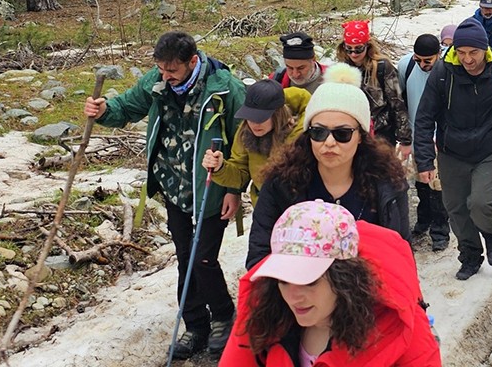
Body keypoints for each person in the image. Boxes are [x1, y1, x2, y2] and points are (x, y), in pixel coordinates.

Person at [83, 31, 245, 358]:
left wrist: (235, 190)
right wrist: (103, 110)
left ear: (192, 62)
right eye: (161, 69)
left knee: (203, 257)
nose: (166, 76)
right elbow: (127, 106)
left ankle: (224, 317)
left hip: (212, 189)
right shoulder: (157, 84)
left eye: (173, 70)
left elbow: (244, 142)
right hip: (173, 185)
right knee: (186, 257)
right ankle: (197, 324)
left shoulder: (225, 88)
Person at [219, 201, 440, 367]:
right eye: (283, 281)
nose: (294, 296)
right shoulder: (265, 318)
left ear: (344, 279)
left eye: (310, 281)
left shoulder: (398, 330)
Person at [247, 63, 410, 269]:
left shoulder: (388, 183)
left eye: (342, 134)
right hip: (299, 295)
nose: (329, 142)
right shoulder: (282, 183)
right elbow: (259, 255)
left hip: (369, 293)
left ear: (361, 136)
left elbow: (401, 252)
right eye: (319, 132)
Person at [414, 19, 492, 280]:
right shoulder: (442, 71)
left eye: (472, 53)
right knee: (457, 210)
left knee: (481, 203)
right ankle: (470, 256)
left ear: (483, 49)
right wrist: (425, 161)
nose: (467, 59)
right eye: (461, 52)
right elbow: (425, 117)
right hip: (452, 151)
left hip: (489, 147)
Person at [202, 79, 310, 208]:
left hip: (300, 209)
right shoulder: (245, 132)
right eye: (250, 116)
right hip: (263, 206)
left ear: (277, 114)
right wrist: (220, 167)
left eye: (261, 118)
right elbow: (240, 175)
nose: (254, 124)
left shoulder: (303, 134)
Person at [397, 35, 450, 252]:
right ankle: (424, 218)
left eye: (427, 60)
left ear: (438, 54)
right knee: (419, 181)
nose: (422, 65)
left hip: (439, 136)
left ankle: (440, 231)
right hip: (415, 135)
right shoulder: (405, 65)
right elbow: (401, 99)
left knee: (437, 186)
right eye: (418, 60)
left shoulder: (447, 69)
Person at [334, 20, 409, 157]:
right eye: (348, 48)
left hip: (381, 133)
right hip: (353, 133)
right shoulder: (342, 68)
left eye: (358, 49)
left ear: (367, 46)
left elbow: (398, 103)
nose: (353, 54)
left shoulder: (382, 67)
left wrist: (405, 140)